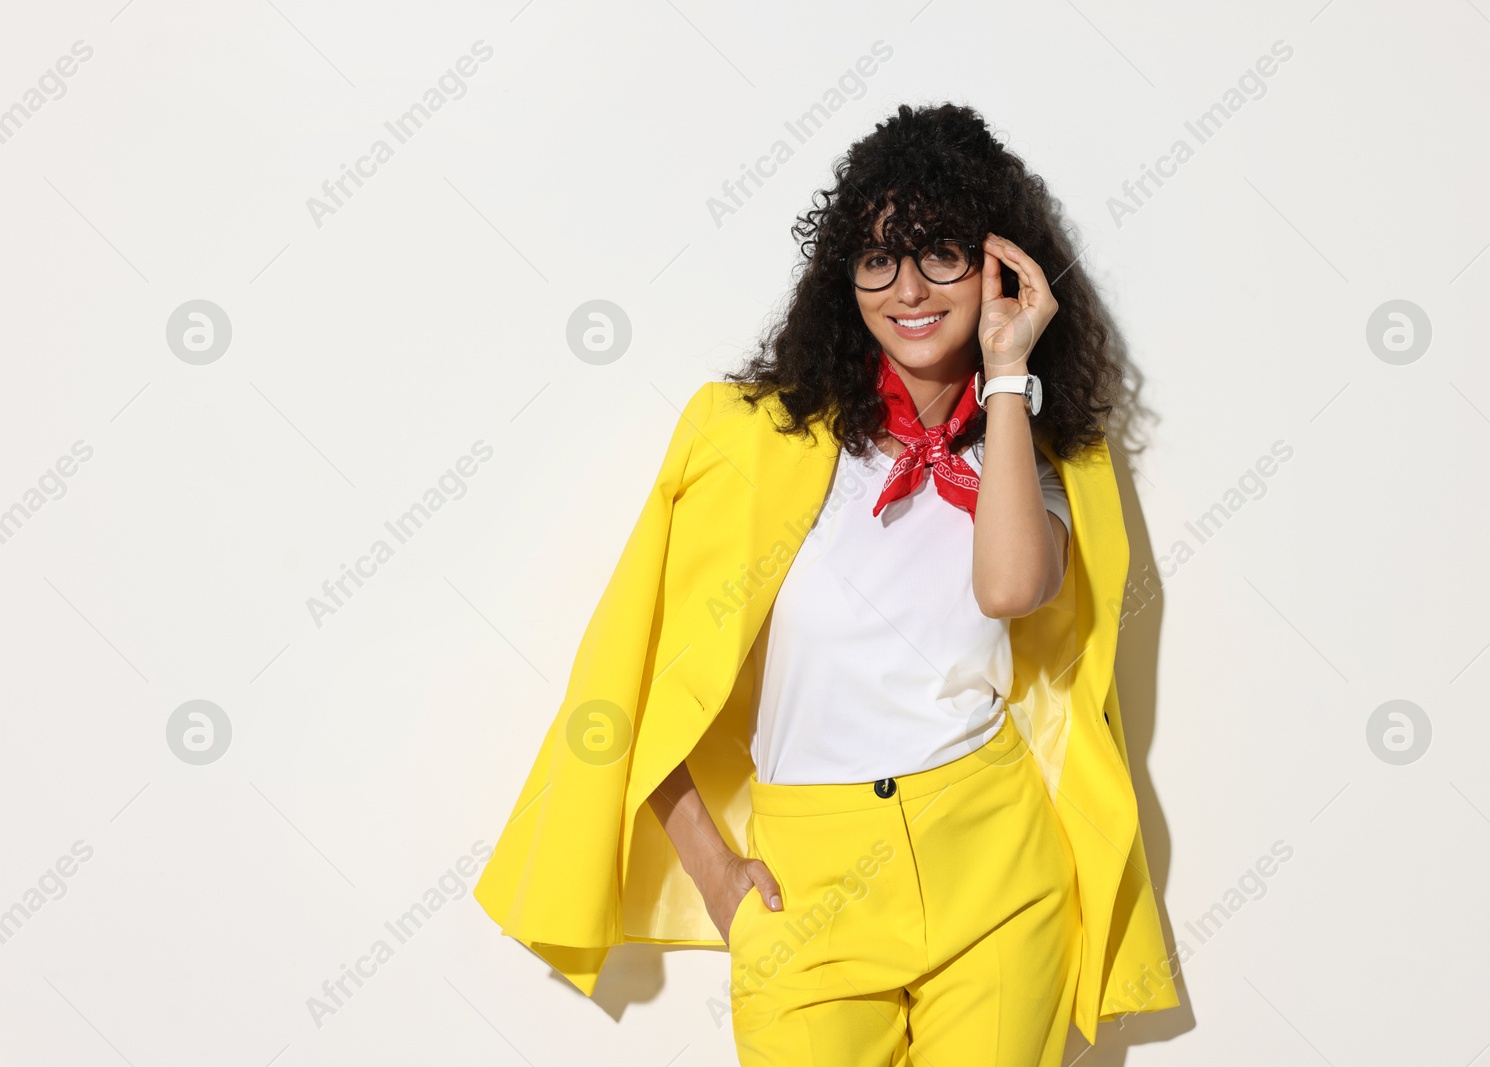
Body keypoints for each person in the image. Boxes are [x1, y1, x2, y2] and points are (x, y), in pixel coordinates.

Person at [473, 102, 1180, 1066]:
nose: (906, 287)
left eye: (940, 251)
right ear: (843, 275)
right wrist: (715, 872)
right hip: (809, 887)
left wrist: (1008, 373)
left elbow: (1013, 588)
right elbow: (635, 675)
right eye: (876, 257)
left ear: (998, 266)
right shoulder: (751, 439)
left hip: (997, 866)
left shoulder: (1030, 457)